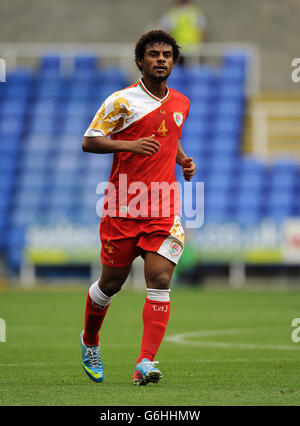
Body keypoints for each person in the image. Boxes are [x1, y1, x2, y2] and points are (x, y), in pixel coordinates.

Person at [80, 30, 196, 386]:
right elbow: (89, 142)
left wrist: (182, 161)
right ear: (141, 61)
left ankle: (145, 362)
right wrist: (129, 144)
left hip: (163, 207)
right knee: (110, 284)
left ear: (173, 62)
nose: (161, 59)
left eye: (167, 54)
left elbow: (169, 136)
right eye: (153, 54)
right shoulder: (121, 101)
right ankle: (90, 340)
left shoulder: (181, 103)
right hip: (123, 206)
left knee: (160, 278)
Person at [158, 0, 207, 65]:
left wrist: (200, 50)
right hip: (177, 52)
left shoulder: (197, 13)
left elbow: (202, 32)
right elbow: (164, 33)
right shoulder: (170, 14)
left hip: (193, 52)